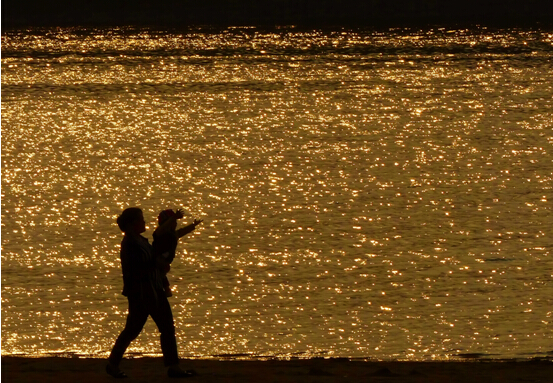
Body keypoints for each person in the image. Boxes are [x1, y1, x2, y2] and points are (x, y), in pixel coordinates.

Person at [106, 207, 196, 379]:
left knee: (167, 328)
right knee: (132, 330)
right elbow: (138, 267)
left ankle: (173, 366)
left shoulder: (142, 241)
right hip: (141, 294)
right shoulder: (129, 244)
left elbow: (153, 258)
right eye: (141, 219)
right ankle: (112, 364)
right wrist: (158, 264)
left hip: (156, 290)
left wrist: (160, 270)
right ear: (133, 224)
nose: (144, 222)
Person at [153, 208, 203, 297]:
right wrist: (173, 217)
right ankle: (162, 291)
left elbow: (182, 232)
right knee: (159, 275)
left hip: (165, 262)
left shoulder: (173, 234)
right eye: (173, 222)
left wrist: (193, 225)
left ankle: (166, 290)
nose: (175, 224)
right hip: (157, 260)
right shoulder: (159, 233)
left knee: (162, 275)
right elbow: (164, 227)